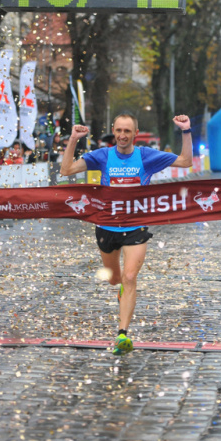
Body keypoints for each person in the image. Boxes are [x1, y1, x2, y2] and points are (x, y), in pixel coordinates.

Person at [60, 113, 193, 356]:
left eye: (127, 131)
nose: (122, 135)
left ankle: (122, 334)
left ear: (135, 133)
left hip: (135, 226)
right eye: (119, 130)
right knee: (115, 279)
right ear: (114, 131)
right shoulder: (103, 156)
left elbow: (185, 161)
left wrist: (186, 131)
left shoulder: (146, 156)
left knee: (130, 277)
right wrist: (73, 139)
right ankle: (121, 290)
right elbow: (66, 169)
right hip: (106, 227)